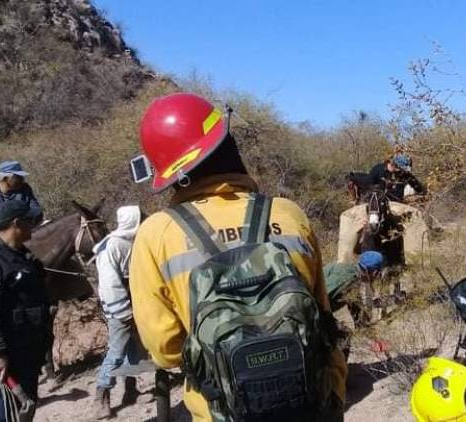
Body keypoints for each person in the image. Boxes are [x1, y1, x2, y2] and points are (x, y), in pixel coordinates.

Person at [128, 93, 347, 421]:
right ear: (226, 144)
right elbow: (321, 314)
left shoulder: (155, 235)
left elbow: (165, 350)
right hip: (313, 405)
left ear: (175, 174)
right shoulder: (288, 214)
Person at [0, 200, 52, 420]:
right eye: (31, 221)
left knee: (25, 411)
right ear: (16, 223)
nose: (34, 226)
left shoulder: (22, 256)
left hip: (27, 353)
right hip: (5, 361)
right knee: (7, 415)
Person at [92, 205, 147, 419]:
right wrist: (122, 310)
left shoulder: (129, 242)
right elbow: (109, 283)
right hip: (121, 307)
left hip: (134, 304)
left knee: (135, 349)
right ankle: (101, 396)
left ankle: (131, 391)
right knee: (116, 352)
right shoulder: (112, 246)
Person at [0, 161, 43, 233]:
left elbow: (36, 210)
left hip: (26, 230)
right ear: (4, 178)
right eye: (17, 177)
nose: (21, 179)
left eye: (21, 176)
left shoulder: (25, 188)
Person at [325, 250, 384, 325]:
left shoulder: (350, 270)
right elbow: (317, 298)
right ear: (375, 272)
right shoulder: (347, 279)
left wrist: (363, 322)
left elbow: (355, 305)